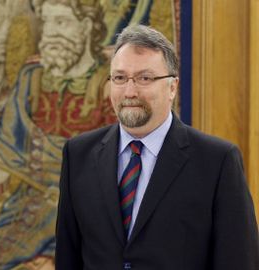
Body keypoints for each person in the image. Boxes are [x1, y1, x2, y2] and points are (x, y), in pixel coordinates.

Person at [55, 24, 259, 269]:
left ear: (172, 87)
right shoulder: (78, 154)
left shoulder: (217, 161)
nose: (130, 91)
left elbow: (238, 261)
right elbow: (68, 257)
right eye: (120, 78)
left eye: (145, 78)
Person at [0, 0, 115, 267]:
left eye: (61, 22)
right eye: (46, 22)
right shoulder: (32, 78)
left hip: (90, 215)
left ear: (86, 27)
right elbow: (7, 138)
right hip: (26, 208)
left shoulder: (111, 85)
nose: (49, 32)